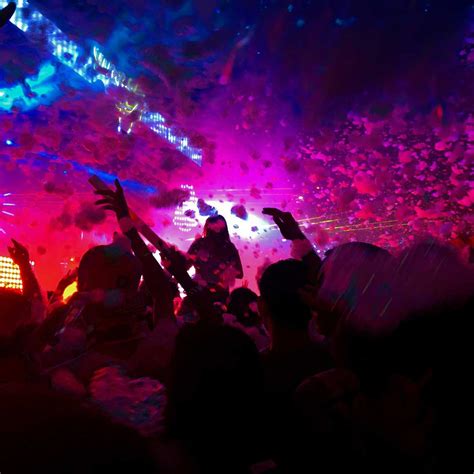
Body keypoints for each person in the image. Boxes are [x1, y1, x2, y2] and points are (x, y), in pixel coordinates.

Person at [187, 215, 243, 303]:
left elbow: (185, 265)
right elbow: (239, 273)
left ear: (207, 227)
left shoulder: (199, 243)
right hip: (221, 294)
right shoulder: (229, 247)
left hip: (200, 291)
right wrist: (223, 271)